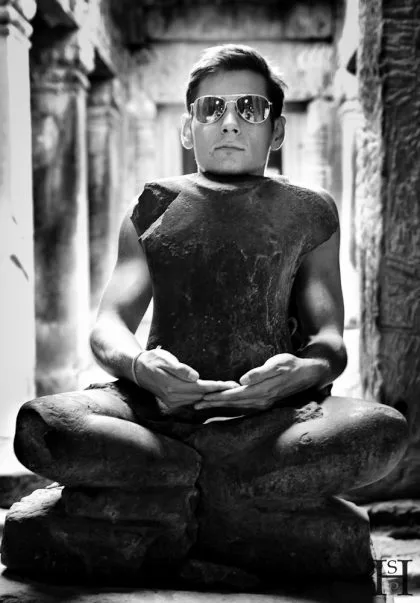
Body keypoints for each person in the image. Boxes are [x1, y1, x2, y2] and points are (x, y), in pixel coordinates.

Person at [12, 44, 407, 579]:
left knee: (384, 431)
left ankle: (170, 496)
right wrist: (140, 367)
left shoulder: (310, 211)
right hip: (157, 415)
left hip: (271, 422)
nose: (229, 122)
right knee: (43, 426)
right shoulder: (154, 206)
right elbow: (109, 325)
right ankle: (233, 498)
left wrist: (300, 372)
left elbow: (330, 340)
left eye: (250, 108)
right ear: (187, 128)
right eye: (211, 108)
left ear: (277, 130)